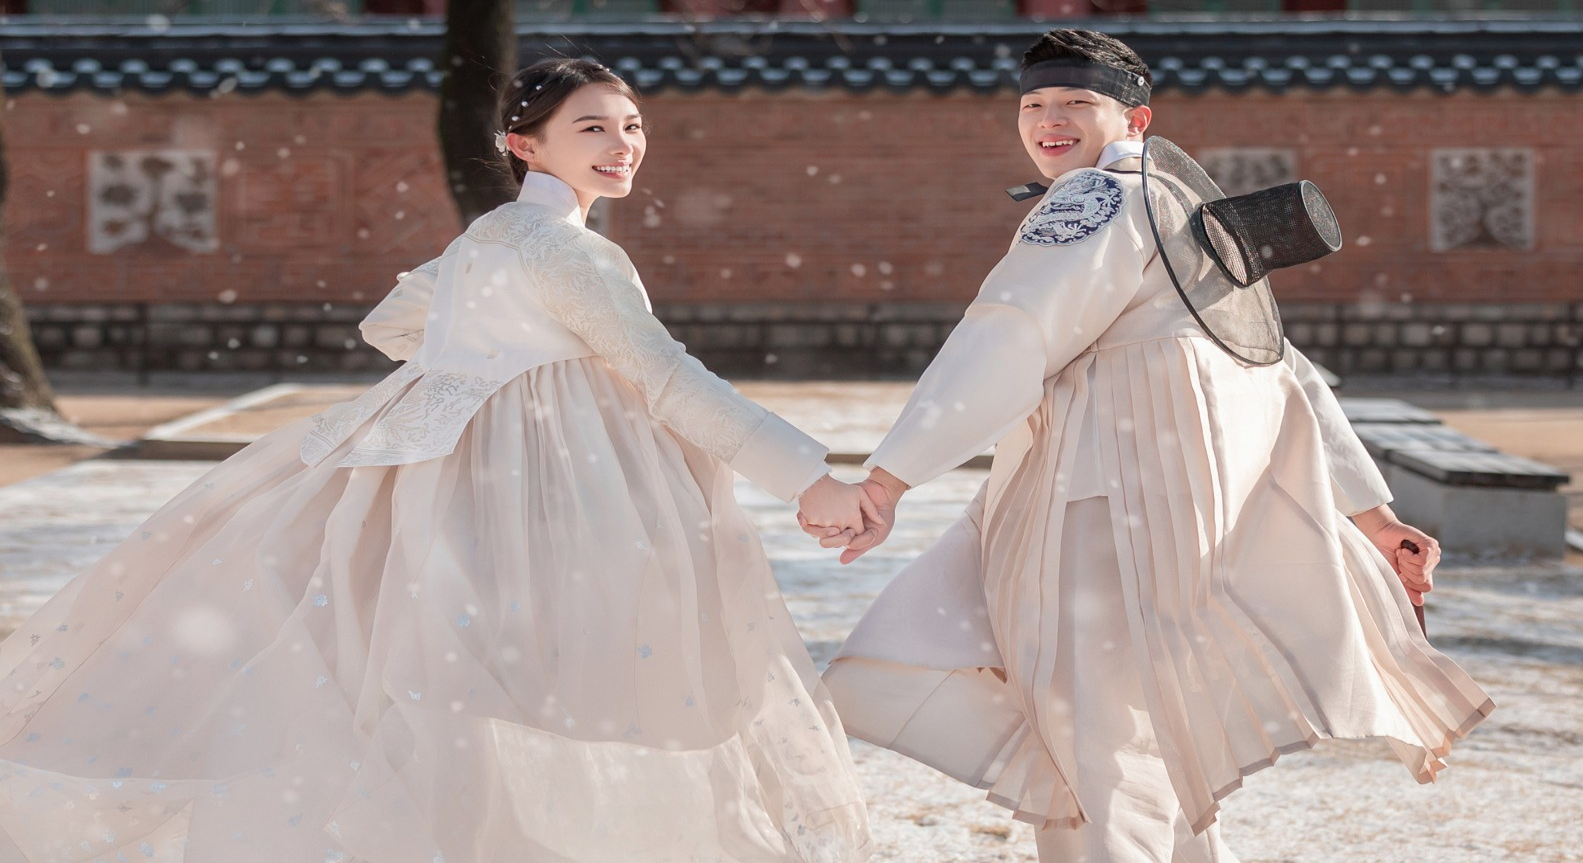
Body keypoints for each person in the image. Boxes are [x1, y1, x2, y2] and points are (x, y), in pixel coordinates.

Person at [0, 58, 874, 863]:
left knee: (418, 682)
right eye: (592, 128)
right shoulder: (565, 249)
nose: (622, 145)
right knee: (546, 675)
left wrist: (479, 361)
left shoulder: (491, 235)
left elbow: (391, 321)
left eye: (632, 125)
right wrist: (808, 477)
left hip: (432, 474)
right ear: (524, 145)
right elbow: (668, 378)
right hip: (528, 487)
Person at [804, 29, 1494, 863]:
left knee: (1097, 746)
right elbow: (1281, 369)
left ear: (1136, 118)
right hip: (1180, 523)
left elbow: (1010, 335)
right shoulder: (1184, 211)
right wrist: (1373, 517)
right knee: (1143, 739)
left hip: (1099, 510)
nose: (1050, 120)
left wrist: (888, 478)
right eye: (1033, 104)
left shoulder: (1092, 201)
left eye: (1077, 102)